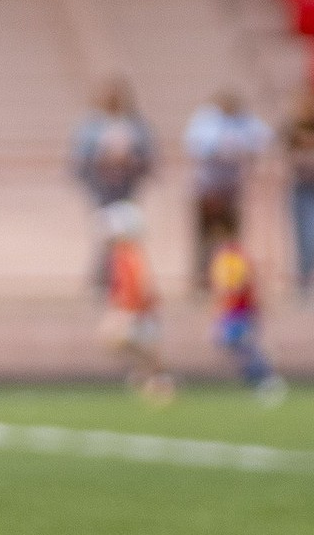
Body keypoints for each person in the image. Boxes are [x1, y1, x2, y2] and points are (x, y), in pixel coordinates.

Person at [71, 76, 156, 291]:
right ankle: (103, 279)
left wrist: (130, 160)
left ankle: (127, 279)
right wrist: (103, 159)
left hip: (127, 185)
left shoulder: (135, 123)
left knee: (127, 232)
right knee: (106, 232)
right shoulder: (91, 124)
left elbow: (148, 154)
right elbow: (80, 157)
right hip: (101, 186)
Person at [183, 90, 272, 291]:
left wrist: (244, 149)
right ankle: (203, 280)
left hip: (231, 189)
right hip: (208, 189)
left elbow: (264, 138)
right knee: (205, 237)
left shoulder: (245, 121)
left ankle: (232, 279)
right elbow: (195, 144)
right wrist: (220, 148)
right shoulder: (206, 119)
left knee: (231, 238)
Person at [96, 202, 175, 406]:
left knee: (123, 341)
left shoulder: (127, 253)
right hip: (133, 309)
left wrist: (128, 311)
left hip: (136, 310)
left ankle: (155, 380)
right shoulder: (121, 253)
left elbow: (137, 284)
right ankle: (151, 378)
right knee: (130, 346)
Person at [207, 217, 287, 405]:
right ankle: (258, 377)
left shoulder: (235, 256)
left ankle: (266, 377)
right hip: (230, 309)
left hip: (238, 309)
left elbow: (239, 284)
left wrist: (250, 304)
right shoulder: (223, 256)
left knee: (240, 343)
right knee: (232, 343)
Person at [280, 80, 314, 295]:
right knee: (301, 237)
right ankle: (302, 282)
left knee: (311, 235)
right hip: (300, 187)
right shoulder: (292, 130)